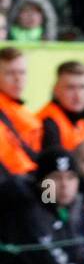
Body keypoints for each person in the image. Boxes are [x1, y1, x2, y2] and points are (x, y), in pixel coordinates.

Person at [0, 149, 84, 264]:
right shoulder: (27, 208)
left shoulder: (62, 208)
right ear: (40, 181)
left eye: (70, 177)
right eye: (56, 177)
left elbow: (77, 256)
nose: (64, 185)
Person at [0, 46, 41, 174]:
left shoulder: (23, 111)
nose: (18, 79)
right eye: (10, 73)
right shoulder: (4, 110)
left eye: (22, 72)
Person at [37, 61, 84, 151]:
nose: (78, 95)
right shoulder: (47, 123)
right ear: (56, 89)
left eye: (83, 87)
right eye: (70, 87)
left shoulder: (80, 121)